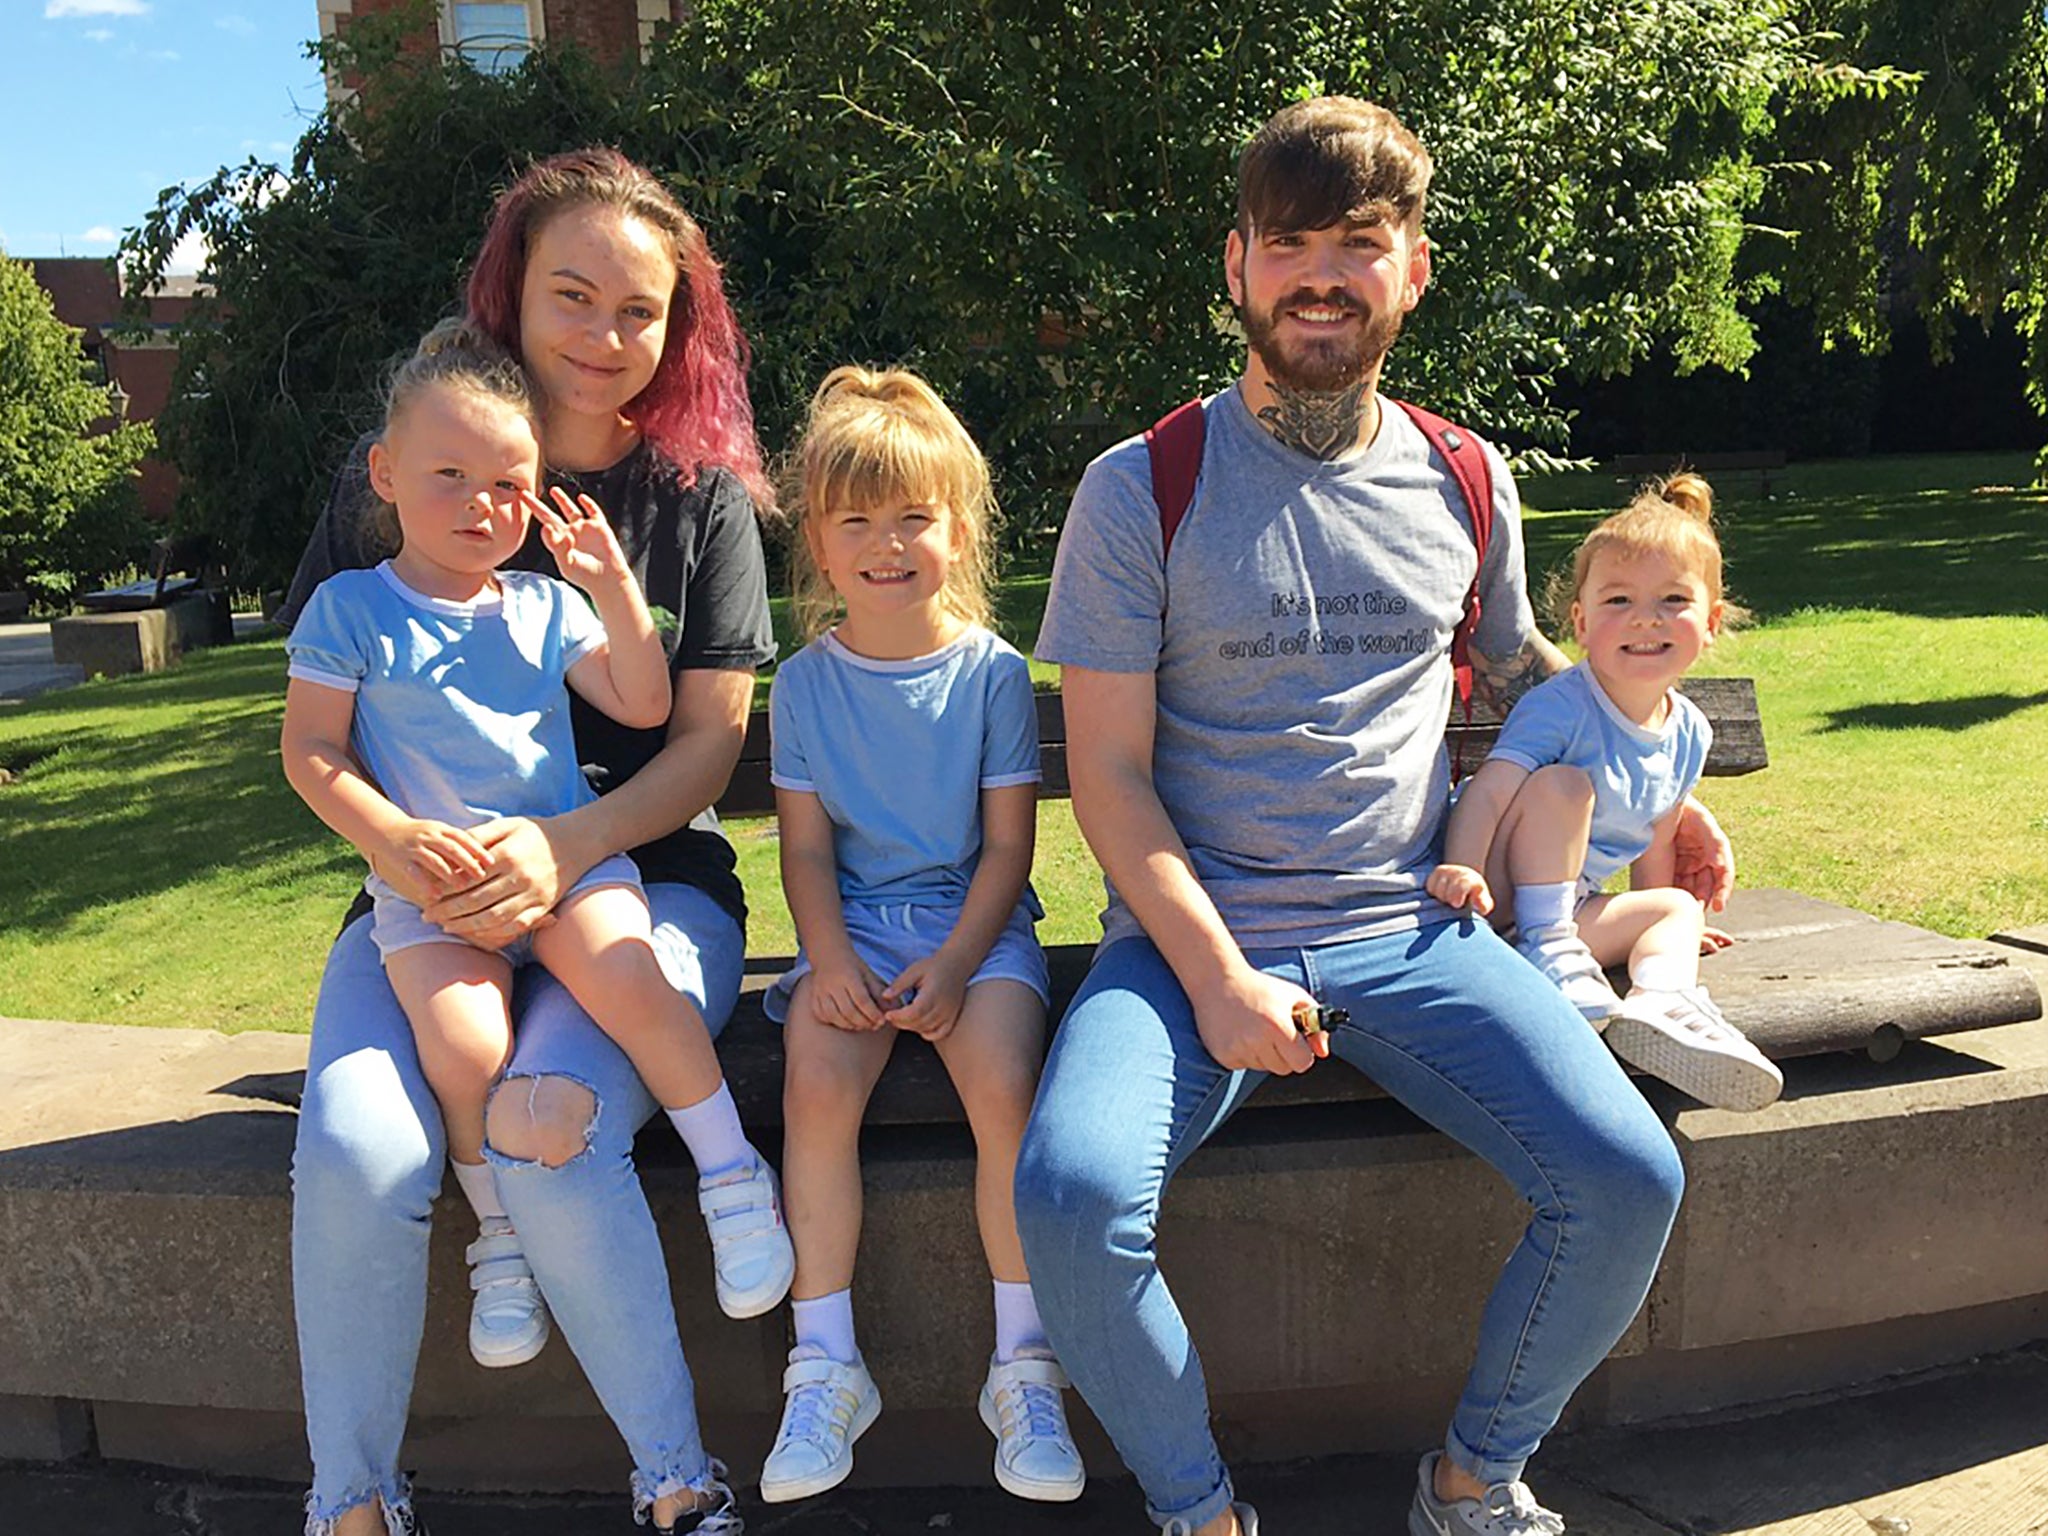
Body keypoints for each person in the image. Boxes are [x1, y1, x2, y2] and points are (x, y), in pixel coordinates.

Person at [1016, 97, 1728, 1536]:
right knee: (1072, 1202)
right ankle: (1199, 1510)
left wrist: (1664, 811)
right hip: (1185, 942)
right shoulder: (1138, 488)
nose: (1321, 275)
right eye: (1290, 245)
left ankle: (1470, 1480)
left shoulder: (1469, 478)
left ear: (1413, 268)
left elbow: (1540, 686)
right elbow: (1109, 776)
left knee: (1628, 1178)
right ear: (1237, 269)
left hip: (1416, 927)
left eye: (1360, 241)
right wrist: (1216, 979)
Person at [278, 148, 780, 1536]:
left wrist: (563, 847)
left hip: (638, 881)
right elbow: (322, 725)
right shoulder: (405, 467)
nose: (605, 337)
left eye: (641, 310)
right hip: (428, 894)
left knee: (543, 1123)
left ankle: (681, 1487)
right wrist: (426, 855)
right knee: (365, 1152)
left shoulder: (694, 499)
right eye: (573, 295)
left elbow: (702, 744)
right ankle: (352, 1504)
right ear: (515, 292)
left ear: (679, 327)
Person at [756, 367, 1085, 1506]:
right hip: (849, 932)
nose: (886, 544)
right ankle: (826, 1363)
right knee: (814, 1085)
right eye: (857, 521)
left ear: (959, 528)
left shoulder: (991, 673)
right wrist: (832, 963)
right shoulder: (800, 685)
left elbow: (1005, 853)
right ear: (818, 537)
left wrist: (951, 966)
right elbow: (803, 854)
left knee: (1002, 1084)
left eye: (913, 519)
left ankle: (1022, 1364)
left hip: (974, 932)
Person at [1426, 473, 1782, 1111]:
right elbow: (1489, 791)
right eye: (1619, 601)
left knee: (1678, 907)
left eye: (1674, 599)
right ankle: (1549, 950)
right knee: (1565, 786)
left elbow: (1660, 833)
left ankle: (1663, 1003)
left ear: (1712, 622)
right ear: (1582, 623)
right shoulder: (1561, 706)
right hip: (1488, 900)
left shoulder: (1689, 731)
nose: (1646, 617)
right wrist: (1462, 868)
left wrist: (1653, 918)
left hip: (1561, 914)